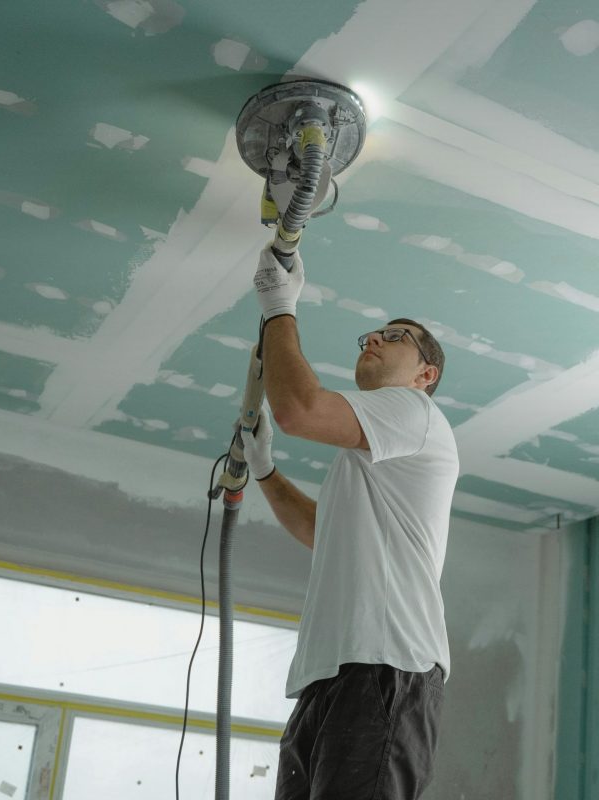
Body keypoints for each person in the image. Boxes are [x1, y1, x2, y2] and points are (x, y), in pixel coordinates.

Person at [241, 245, 459, 800]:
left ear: (425, 374)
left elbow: (299, 410)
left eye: (394, 336)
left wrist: (278, 307)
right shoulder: (366, 462)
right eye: (369, 336)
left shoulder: (416, 413)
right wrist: (265, 471)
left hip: (387, 665)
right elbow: (321, 532)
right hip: (331, 674)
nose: (373, 340)